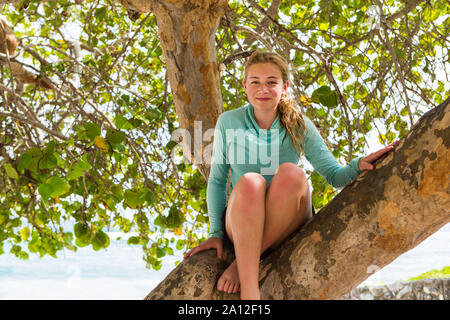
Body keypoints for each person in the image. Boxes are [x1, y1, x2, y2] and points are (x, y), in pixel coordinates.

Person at [184, 50, 398, 300]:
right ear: (244, 86)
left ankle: (242, 267)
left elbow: (333, 175)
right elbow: (218, 180)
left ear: (284, 86)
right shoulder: (228, 122)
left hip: (287, 218)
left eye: (271, 82)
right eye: (255, 82)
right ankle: (251, 294)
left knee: (291, 173)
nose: (262, 89)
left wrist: (357, 164)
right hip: (243, 220)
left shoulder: (297, 123)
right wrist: (215, 234)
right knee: (251, 181)